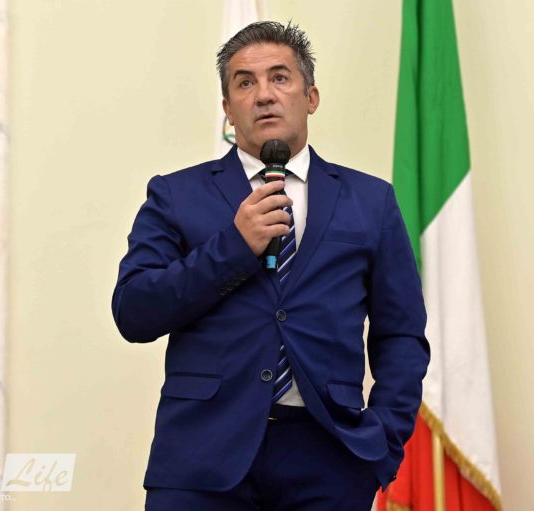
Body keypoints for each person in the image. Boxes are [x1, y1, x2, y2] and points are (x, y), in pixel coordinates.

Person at [112, 21, 430, 511]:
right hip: (199, 460)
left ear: (311, 97)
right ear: (227, 108)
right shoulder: (175, 195)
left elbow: (401, 335)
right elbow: (134, 311)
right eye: (245, 83)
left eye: (280, 78)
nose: (263, 95)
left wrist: (381, 444)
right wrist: (233, 247)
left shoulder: (371, 201)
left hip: (330, 457)